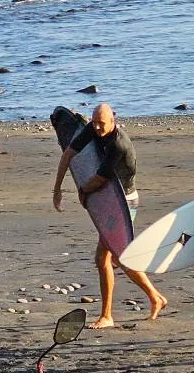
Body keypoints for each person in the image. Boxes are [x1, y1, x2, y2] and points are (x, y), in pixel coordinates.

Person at [52, 102, 166, 329]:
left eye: (101, 124)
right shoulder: (93, 128)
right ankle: (154, 298)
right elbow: (69, 154)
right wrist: (57, 189)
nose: (97, 128)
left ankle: (109, 315)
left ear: (113, 120)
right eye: (94, 122)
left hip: (124, 201)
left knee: (113, 257)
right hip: (106, 197)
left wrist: (83, 191)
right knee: (110, 257)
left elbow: (99, 179)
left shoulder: (118, 145)